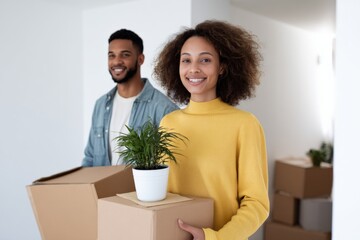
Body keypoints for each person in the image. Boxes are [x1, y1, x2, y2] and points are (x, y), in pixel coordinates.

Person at [153, 20, 269, 240]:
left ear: (222, 67)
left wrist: (215, 237)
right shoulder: (168, 123)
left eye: (205, 60)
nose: (194, 68)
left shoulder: (244, 124)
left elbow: (257, 204)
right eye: (186, 60)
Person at [82, 29, 178, 167]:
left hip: (138, 189)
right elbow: (90, 159)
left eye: (125, 55)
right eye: (111, 56)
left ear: (140, 59)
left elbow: (169, 165)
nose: (116, 61)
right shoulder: (101, 105)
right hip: (100, 189)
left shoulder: (164, 108)